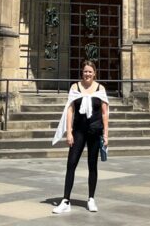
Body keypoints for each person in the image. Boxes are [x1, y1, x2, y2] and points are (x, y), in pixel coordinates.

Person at [52, 59, 109, 214]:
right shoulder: (75, 87)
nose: (87, 74)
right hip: (78, 130)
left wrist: (106, 134)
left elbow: (105, 113)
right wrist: (69, 132)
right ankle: (65, 200)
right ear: (82, 72)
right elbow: (70, 110)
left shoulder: (100, 88)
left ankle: (91, 199)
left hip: (95, 130)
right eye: (85, 71)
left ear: (94, 73)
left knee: (92, 165)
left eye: (90, 71)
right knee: (71, 163)